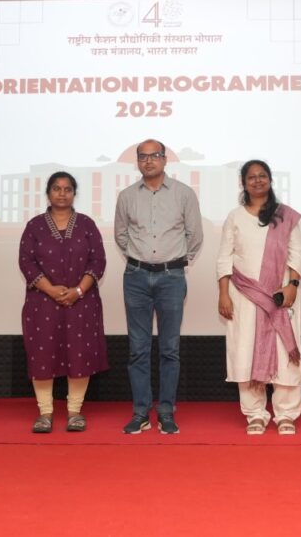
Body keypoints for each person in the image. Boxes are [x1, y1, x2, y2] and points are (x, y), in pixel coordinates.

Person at [114, 139, 204, 435]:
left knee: (169, 349)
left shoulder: (184, 194)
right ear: (137, 162)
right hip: (136, 277)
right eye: (143, 156)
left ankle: (166, 411)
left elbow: (194, 236)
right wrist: (140, 259)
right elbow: (121, 236)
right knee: (138, 350)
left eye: (155, 156)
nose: (149, 161)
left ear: (165, 159)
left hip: (171, 278)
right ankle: (141, 412)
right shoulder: (127, 196)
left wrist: (175, 263)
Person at [216, 160, 301, 434]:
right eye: (251, 177)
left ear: (270, 179)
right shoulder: (235, 217)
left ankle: (286, 414)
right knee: (245, 350)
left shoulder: (285, 216)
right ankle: (255, 413)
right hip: (244, 296)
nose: (257, 181)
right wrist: (223, 294)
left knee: (284, 353)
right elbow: (224, 257)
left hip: (280, 295)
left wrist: (292, 286)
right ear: (243, 183)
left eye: (262, 176)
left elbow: (296, 254)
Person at [18, 172, 109, 433]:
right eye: (56, 189)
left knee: (79, 353)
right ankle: (45, 412)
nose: (62, 193)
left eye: (67, 189)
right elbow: (26, 262)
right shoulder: (34, 226)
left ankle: (74, 411)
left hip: (82, 301)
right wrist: (50, 289)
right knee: (42, 353)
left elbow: (98, 261)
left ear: (74, 193)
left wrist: (78, 290)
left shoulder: (87, 224)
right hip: (42, 302)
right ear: (48, 193)